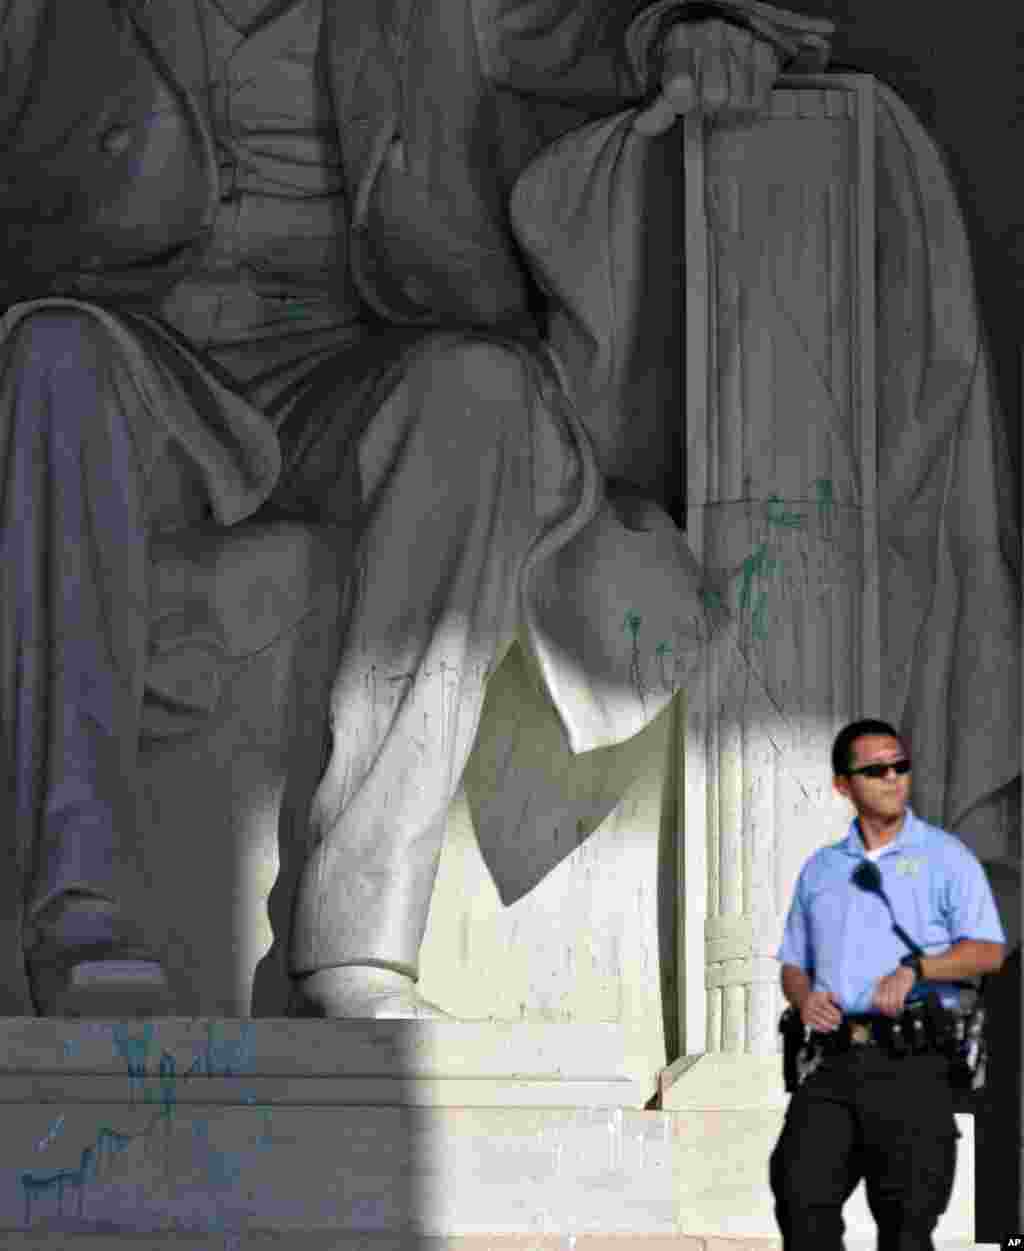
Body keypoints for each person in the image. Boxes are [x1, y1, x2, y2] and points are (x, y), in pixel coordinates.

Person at [0, 0, 829, 1018]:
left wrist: (694, 30)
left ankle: (362, 946)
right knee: (52, 355)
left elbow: (606, 21)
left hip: (349, 365)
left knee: (478, 389)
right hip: (132, 357)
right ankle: (80, 907)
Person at [770, 718, 1007, 1251]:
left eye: (900, 766)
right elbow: (792, 962)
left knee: (906, 1229)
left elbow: (988, 951)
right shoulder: (822, 870)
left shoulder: (947, 858)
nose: (893, 778)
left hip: (912, 1066)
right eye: (876, 770)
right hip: (828, 1066)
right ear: (843, 785)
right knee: (799, 1200)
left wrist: (919, 969)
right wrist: (804, 997)